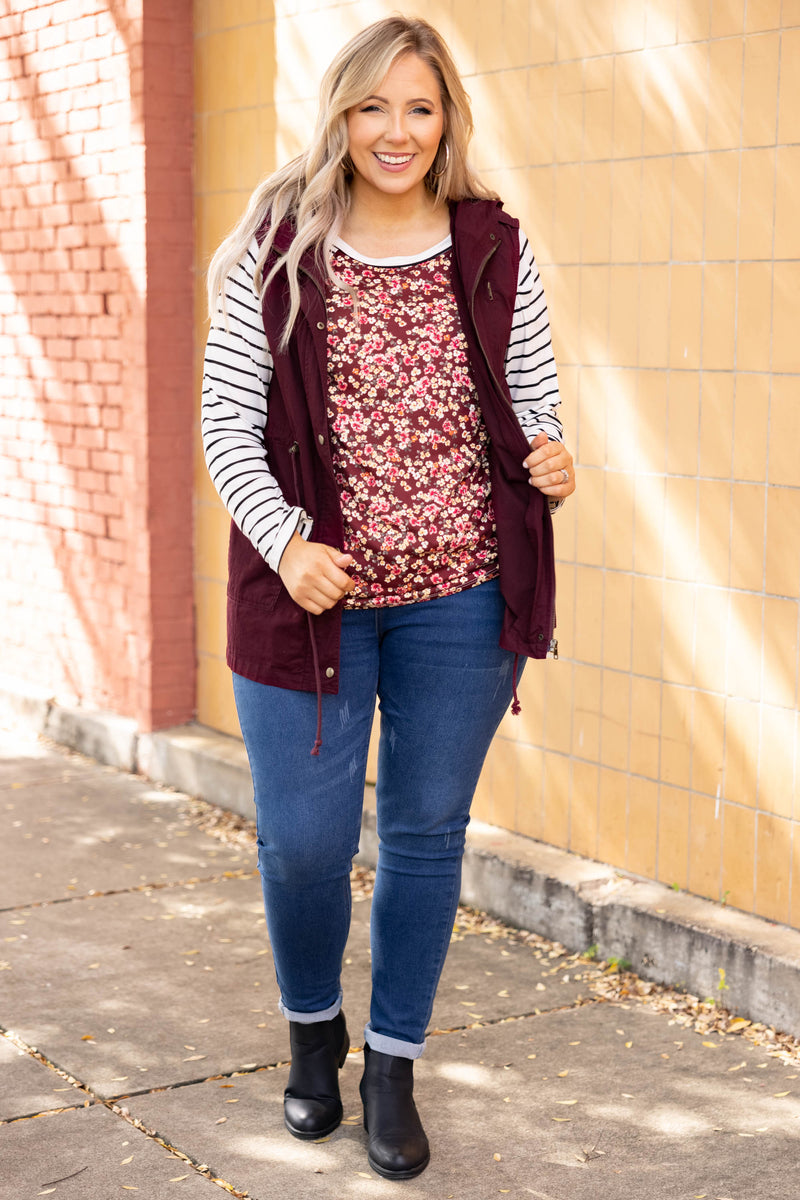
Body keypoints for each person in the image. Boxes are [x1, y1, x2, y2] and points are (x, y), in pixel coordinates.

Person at [202, 15, 575, 1182]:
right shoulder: (275, 245)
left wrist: (553, 450)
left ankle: (393, 1069)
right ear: (340, 116)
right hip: (306, 600)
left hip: (462, 599)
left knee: (423, 837)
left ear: (446, 118)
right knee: (305, 845)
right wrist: (287, 542)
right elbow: (228, 426)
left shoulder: (494, 247)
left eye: (418, 108)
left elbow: (533, 401)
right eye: (373, 108)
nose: (396, 131)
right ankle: (313, 1034)